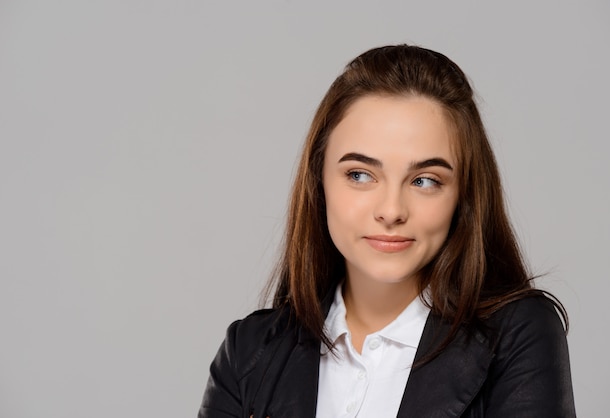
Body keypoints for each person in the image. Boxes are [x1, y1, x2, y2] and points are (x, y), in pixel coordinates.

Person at [198, 45, 576, 417]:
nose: (392, 211)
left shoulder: (517, 335)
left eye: (425, 181)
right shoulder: (249, 351)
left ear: (464, 194)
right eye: (360, 175)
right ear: (319, 182)